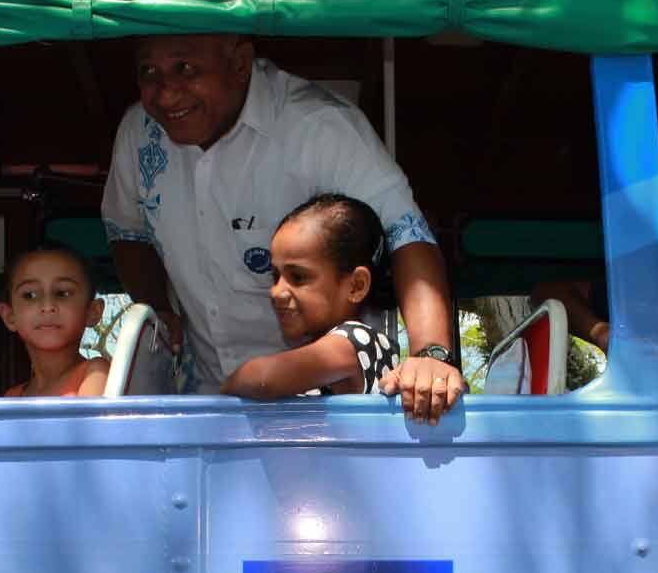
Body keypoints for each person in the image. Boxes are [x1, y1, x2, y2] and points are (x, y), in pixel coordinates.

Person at [101, 34, 463, 424]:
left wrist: (430, 358)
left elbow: (406, 233)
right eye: (148, 71)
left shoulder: (319, 127)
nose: (166, 93)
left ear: (240, 62)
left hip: (321, 424)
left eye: (185, 69)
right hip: (205, 405)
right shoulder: (138, 131)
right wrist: (158, 309)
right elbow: (128, 233)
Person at [221, 194, 398, 399]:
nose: (276, 292)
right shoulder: (325, 355)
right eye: (276, 276)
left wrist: (229, 384)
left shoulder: (354, 341)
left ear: (356, 286)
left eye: (297, 277)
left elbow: (264, 378)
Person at [0, 246, 110, 398]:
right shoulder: (12, 397)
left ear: (93, 312)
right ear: (10, 316)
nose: (47, 306)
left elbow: (90, 422)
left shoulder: (95, 373)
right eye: (30, 295)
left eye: (63, 293)